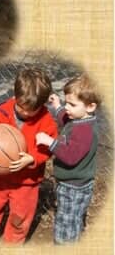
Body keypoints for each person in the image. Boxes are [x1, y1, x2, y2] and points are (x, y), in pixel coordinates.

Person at [0, 68, 58, 243]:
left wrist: (32, 159)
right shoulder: (3, 112)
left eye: (31, 110)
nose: (25, 113)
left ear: (42, 105)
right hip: (0, 178)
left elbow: (49, 147)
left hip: (27, 182)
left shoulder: (46, 121)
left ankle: (12, 241)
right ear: (15, 96)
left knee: (21, 215)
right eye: (21, 107)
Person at [35, 75, 101, 244]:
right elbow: (66, 118)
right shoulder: (80, 119)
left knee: (65, 224)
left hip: (73, 187)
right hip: (77, 184)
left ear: (90, 106)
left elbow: (71, 156)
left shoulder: (84, 131)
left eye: (72, 104)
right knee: (73, 218)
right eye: (66, 102)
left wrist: (50, 142)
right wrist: (57, 106)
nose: (67, 108)